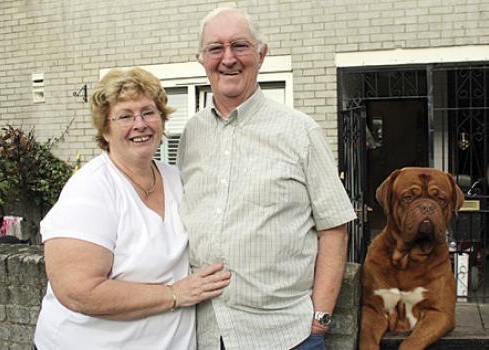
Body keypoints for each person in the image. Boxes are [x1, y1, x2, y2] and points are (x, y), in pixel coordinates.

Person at [177, 7, 357, 350]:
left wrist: (320, 320)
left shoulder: (300, 132)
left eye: (240, 46)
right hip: (205, 334)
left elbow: (333, 228)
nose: (228, 59)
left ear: (261, 55)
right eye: (216, 48)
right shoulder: (191, 134)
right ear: (201, 59)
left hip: (286, 336)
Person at [33, 67, 230, 350]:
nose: (140, 124)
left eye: (149, 112)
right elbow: (78, 292)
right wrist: (174, 294)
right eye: (125, 116)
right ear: (105, 129)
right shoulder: (90, 190)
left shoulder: (176, 178)